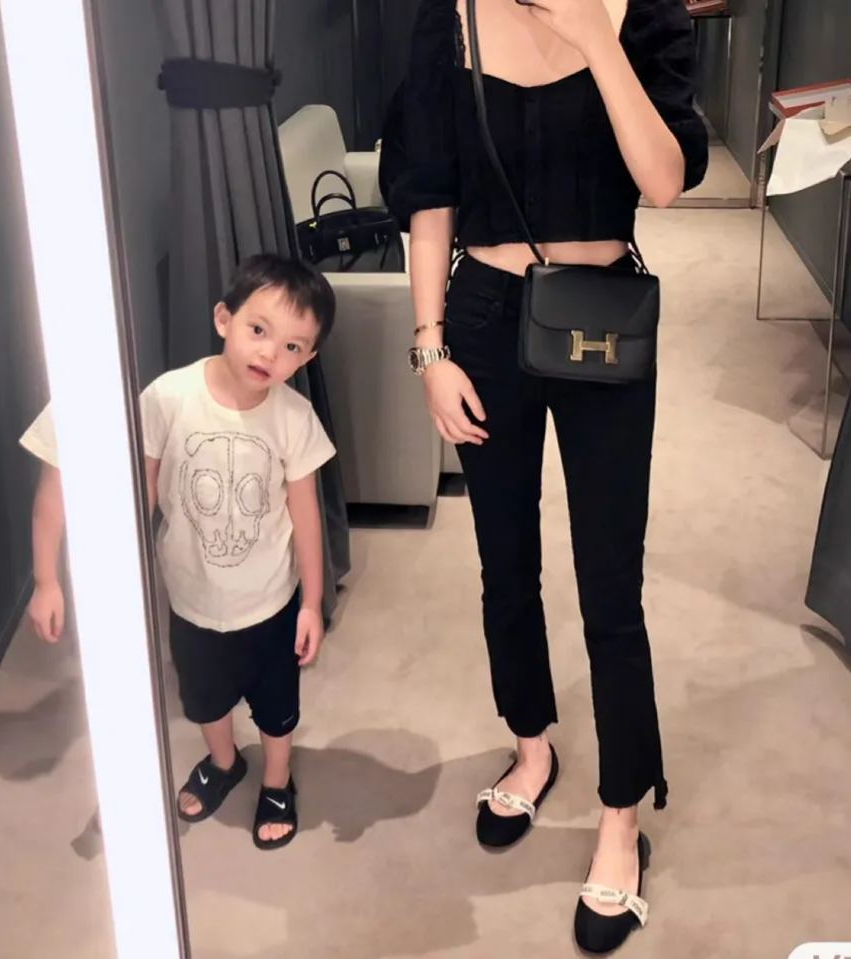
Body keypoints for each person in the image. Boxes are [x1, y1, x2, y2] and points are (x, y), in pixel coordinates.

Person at [380, 0, 707, 951]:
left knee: (611, 586)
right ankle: (531, 745)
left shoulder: (642, 15)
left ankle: (621, 816)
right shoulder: (447, 19)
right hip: (483, 320)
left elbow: (664, 180)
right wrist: (430, 348)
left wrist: (596, 37)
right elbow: (430, 197)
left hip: (603, 316)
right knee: (505, 566)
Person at [20, 253, 337, 850]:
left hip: (270, 600)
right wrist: (87, 577)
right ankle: (224, 762)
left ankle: (277, 780)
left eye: (293, 346)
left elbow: (305, 515)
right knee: (204, 698)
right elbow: (142, 493)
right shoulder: (169, 397)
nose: (270, 353)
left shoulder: (294, 418)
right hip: (191, 597)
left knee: (277, 706)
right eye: (259, 329)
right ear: (224, 319)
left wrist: (312, 603)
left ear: (309, 357)